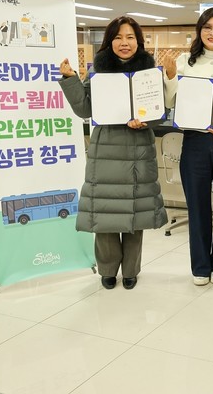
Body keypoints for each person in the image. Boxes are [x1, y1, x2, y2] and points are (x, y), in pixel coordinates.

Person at [59, 15, 168, 290]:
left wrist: (146, 120)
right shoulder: (98, 70)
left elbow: (159, 112)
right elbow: (85, 109)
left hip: (139, 148)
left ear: (138, 41)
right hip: (106, 148)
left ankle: (131, 270)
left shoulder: (149, 71)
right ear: (110, 42)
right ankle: (107, 270)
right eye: (118, 37)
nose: (124, 43)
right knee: (104, 213)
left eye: (130, 37)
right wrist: (70, 80)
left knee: (135, 213)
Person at [163, 7, 213, 286]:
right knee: (197, 207)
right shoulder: (185, 62)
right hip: (195, 142)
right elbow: (171, 102)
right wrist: (170, 75)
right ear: (199, 31)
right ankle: (200, 266)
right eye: (207, 27)